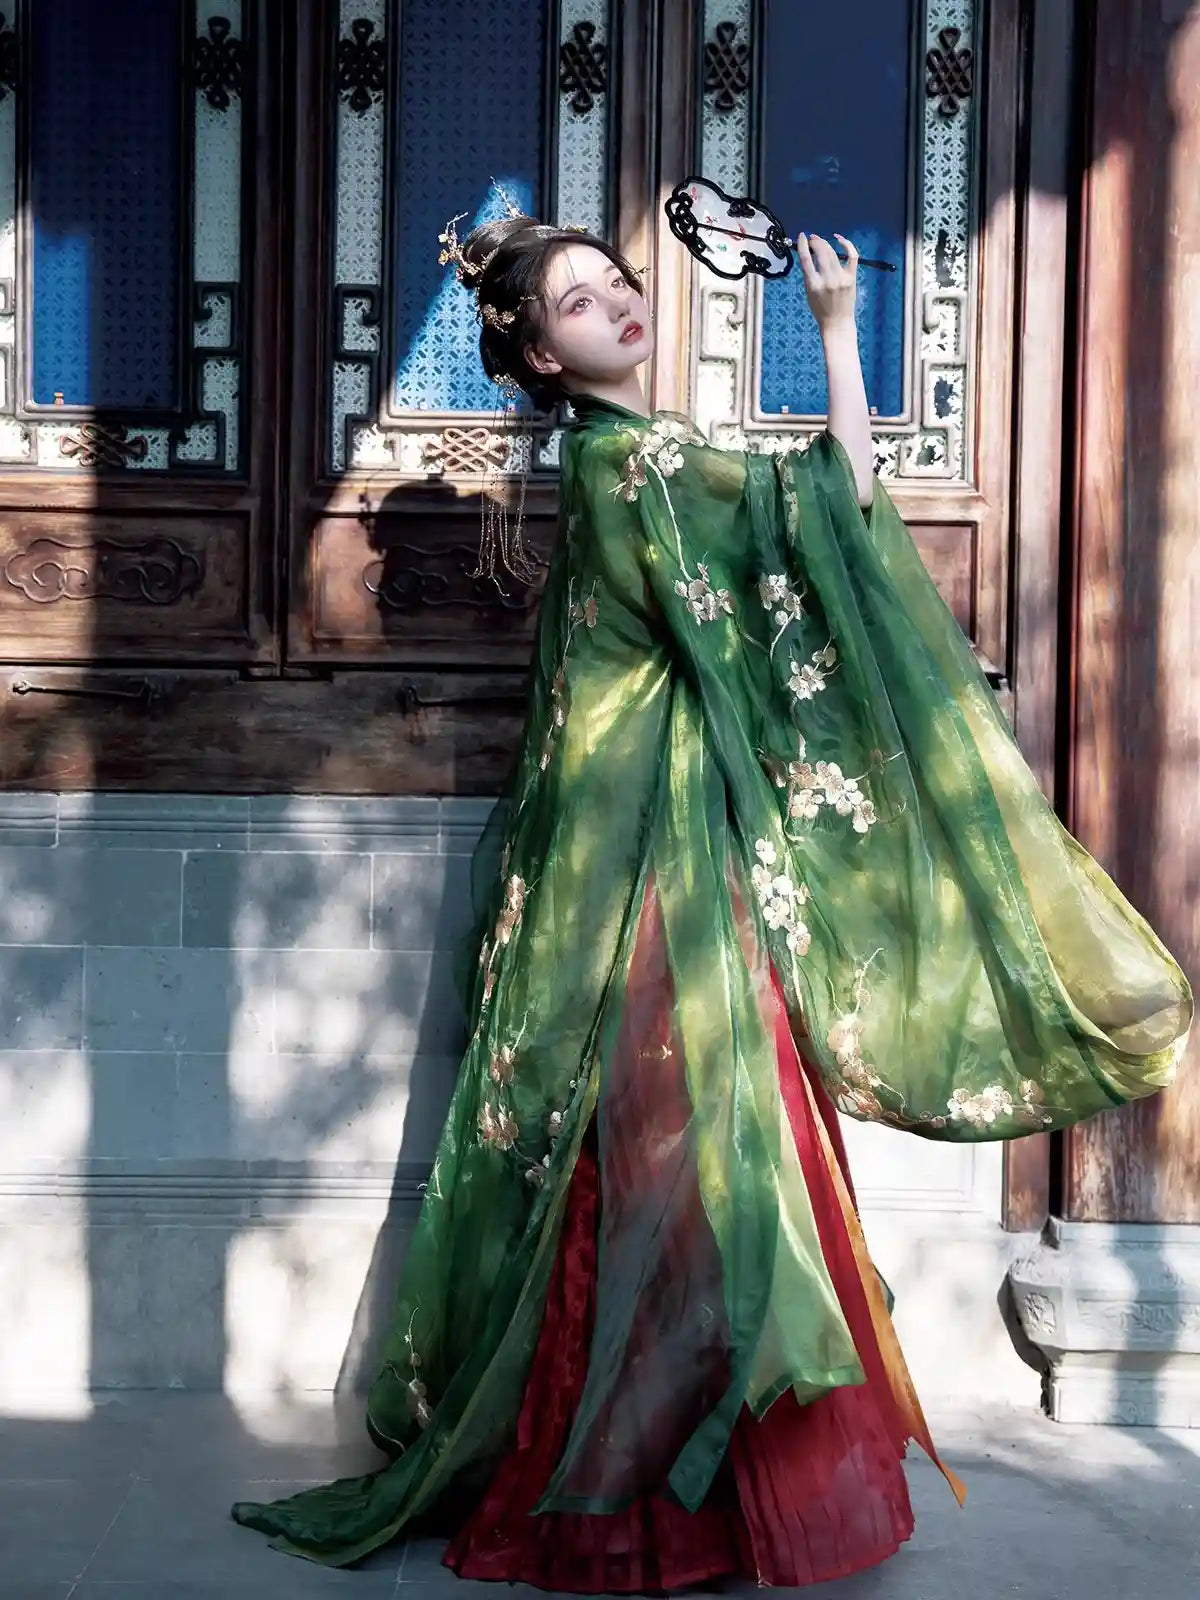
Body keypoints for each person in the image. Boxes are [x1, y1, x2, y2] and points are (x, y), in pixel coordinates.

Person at [232, 204, 1192, 1587]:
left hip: (645, 865)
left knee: (676, 1174)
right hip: (659, 881)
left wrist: (836, 339)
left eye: (617, 280)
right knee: (698, 1175)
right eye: (577, 302)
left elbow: (811, 526)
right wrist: (839, 337)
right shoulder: (639, 466)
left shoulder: (640, 458)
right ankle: (650, 1502)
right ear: (542, 357)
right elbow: (839, 514)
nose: (617, 302)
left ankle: (675, 1488)